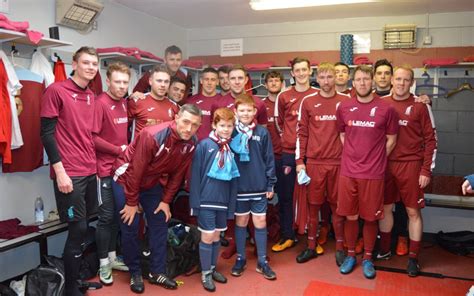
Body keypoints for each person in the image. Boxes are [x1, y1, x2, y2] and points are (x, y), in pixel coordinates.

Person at [112, 104, 202, 293]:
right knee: (131, 223)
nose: (189, 128)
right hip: (125, 178)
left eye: (195, 125)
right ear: (176, 117)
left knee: (160, 220)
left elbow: (178, 174)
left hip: (151, 182)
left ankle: (157, 272)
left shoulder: (192, 141)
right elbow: (136, 171)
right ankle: (135, 272)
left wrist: (166, 201)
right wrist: (131, 202)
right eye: (186, 122)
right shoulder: (152, 135)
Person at [40, 46, 99, 296]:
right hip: (69, 173)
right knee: (78, 230)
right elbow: (46, 133)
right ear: (74, 64)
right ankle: (71, 290)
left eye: (94, 64)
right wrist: (60, 171)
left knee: (86, 227)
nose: (91, 67)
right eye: (86, 63)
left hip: (89, 170)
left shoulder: (91, 95)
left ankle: (76, 279)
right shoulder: (56, 90)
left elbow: (88, 135)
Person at [336, 65, 399, 279]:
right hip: (349, 171)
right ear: (353, 83)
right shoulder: (344, 107)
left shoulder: (386, 108)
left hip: (373, 173)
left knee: (371, 218)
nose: (362, 83)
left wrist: (376, 157)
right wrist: (354, 155)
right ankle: (351, 254)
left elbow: (391, 139)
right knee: (351, 216)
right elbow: (342, 135)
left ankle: (368, 258)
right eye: (359, 79)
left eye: (366, 79)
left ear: (372, 82)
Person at [377, 65, 437, 277]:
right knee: (384, 209)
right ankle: (384, 250)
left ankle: (413, 258)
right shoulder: (381, 104)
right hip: (385, 165)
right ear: (392, 80)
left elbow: (431, 141)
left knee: (413, 211)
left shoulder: (420, 105)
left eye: (406, 80)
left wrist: (426, 170)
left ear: (411, 83)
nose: (401, 83)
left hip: (411, 165)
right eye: (398, 79)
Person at [295, 62, 350, 265]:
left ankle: (339, 249)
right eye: (323, 77)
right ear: (316, 78)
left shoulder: (347, 100)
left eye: (330, 77)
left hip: (340, 163)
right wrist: (300, 161)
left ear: (337, 77)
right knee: (313, 207)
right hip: (315, 163)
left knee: (338, 208)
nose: (326, 81)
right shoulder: (308, 101)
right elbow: (301, 133)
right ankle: (310, 247)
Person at [190, 107, 239, 292]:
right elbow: (195, 175)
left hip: (223, 201)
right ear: (214, 125)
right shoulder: (204, 145)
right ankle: (205, 273)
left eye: (229, 126)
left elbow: (234, 179)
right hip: (206, 200)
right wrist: (195, 203)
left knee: (218, 235)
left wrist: (231, 205)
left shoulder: (232, 147)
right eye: (222, 125)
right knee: (208, 236)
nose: (226, 129)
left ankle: (212, 268)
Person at [272, 57, 319, 252]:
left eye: (304, 70)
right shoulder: (283, 96)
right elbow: (279, 123)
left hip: (313, 155)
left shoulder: (317, 94)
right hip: (289, 154)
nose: (300, 73)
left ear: (310, 72)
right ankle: (287, 235)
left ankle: (311, 238)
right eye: (297, 70)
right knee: (285, 196)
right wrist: (290, 140)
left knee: (313, 198)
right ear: (292, 73)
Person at [230, 94, 277, 280]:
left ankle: (262, 261)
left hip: (259, 186)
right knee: (241, 223)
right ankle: (240, 258)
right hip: (239, 187)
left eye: (249, 110)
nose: (245, 113)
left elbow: (269, 159)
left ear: (255, 112)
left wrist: (270, 182)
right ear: (235, 112)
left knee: (260, 223)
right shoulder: (230, 132)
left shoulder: (262, 133)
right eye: (242, 110)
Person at [92, 62, 131, 285]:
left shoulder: (125, 103)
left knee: (117, 215)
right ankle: (103, 263)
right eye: (117, 82)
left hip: (121, 170)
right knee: (106, 218)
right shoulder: (100, 103)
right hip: (104, 170)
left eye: (125, 82)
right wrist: (118, 150)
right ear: (108, 81)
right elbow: (93, 138)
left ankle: (114, 257)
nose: (121, 86)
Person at [128, 65, 179, 139]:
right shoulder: (136, 101)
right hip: (140, 149)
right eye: (159, 81)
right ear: (150, 81)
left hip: (163, 150)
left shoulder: (174, 106)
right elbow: (122, 129)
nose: (163, 85)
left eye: (166, 82)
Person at [187, 67, 221, 141]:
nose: (209, 83)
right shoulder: (190, 101)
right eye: (206, 79)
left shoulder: (222, 101)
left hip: (215, 145)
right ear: (201, 80)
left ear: (217, 82)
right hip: (194, 145)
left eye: (213, 79)